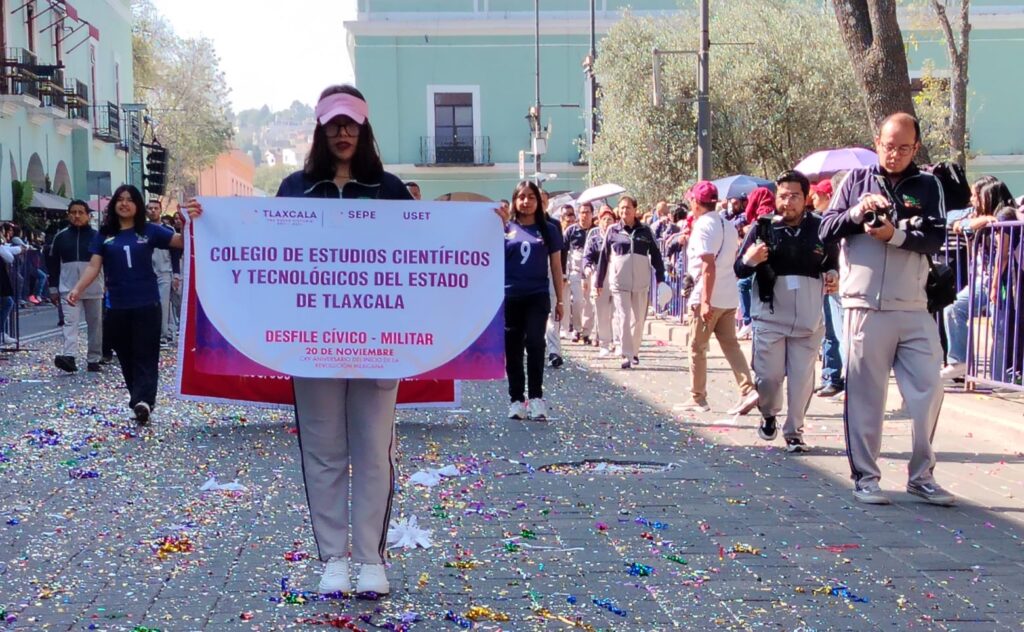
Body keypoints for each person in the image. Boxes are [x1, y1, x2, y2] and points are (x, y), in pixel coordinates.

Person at [188, 85, 413, 596]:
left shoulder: (390, 189)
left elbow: (433, 242)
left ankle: (371, 558)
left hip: (380, 341)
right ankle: (333, 558)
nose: (342, 132)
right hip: (311, 344)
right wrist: (206, 221)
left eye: (350, 123)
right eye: (333, 124)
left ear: (364, 128)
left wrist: (487, 226)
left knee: (374, 451)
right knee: (323, 451)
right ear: (320, 129)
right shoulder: (295, 188)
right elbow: (258, 242)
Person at [819, 112, 953, 506]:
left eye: (904, 148)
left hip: (913, 306)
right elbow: (825, 229)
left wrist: (895, 234)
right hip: (864, 306)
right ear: (877, 142)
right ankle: (866, 477)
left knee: (929, 388)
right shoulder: (855, 181)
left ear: (916, 148)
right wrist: (857, 213)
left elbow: (935, 237)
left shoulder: (928, 184)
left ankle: (922, 475)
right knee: (865, 395)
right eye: (889, 146)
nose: (894, 154)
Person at [735, 171, 838, 452]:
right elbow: (739, 269)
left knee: (802, 380)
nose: (788, 202)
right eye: (782, 196)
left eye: (794, 196)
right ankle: (769, 414)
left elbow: (833, 262)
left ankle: (794, 432)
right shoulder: (763, 227)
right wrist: (750, 259)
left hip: (808, 319)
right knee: (768, 378)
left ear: (806, 198)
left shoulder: (821, 227)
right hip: (770, 315)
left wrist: (832, 274)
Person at [68, 185, 183, 423]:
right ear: (114, 205)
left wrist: (189, 222)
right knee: (126, 356)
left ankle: (145, 401)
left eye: (130, 200)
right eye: (120, 199)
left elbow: (180, 242)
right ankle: (138, 399)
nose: (124, 204)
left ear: (138, 205)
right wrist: (77, 289)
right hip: (117, 306)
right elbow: (93, 266)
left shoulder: (150, 230)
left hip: (147, 304)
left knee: (146, 354)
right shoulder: (104, 235)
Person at [682, 181, 757, 414]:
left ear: (696, 202)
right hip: (727, 295)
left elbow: (708, 266)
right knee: (730, 344)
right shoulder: (728, 225)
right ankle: (747, 388)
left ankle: (698, 396)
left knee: (697, 347)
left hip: (707, 294)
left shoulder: (703, 226)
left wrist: (705, 301)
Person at [499, 180, 564, 420]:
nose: (526, 202)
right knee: (513, 347)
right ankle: (516, 399)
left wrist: (560, 300)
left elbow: (556, 266)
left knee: (536, 342)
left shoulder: (549, 229)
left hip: (537, 295)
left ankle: (536, 397)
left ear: (539, 201)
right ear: (515, 200)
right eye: (521, 197)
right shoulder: (505, 228)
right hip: (510, 296)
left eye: (531, 197)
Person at [941, 178, 1017, 379]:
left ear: (988, 195)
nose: (972, 199)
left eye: (975, 195)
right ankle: (960, 361)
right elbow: (952, 220)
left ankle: (1000, 376)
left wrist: (994, 285)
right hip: (982, 279)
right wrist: (981, 220)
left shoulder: (1005, 213)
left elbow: (1003, 255)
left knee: (999, 327)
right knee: (953, 308)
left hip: (1003, 280)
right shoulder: (980, 213)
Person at [595, 196, 666, 369]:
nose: (624, 211)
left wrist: (661, 279)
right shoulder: (613, 230)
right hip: (619, 283)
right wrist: (599, 281)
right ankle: (626, 354)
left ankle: (634, 351)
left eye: (628, 208)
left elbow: (656, 255)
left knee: (639, 320)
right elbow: (604, 256)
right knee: (624, 317)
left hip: (641, 283)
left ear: (635, 210)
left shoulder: (645, 231)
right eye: (621, 208)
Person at [48, 200, 104, 373]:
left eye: (81, 212)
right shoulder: (61, 237)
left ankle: (94, 358)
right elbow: (53, 264)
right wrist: (53, 288)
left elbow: (107, 261)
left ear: (88, 215)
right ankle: (69, 356)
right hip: (68, 286)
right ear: (68, 215)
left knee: (95, 324)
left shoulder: (97, 236)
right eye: (73, 212)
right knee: (70, 322)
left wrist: (108, 283)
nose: (77, 216)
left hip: (94, 287)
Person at [584, 205, 619, 356]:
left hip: (616, 273)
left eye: (609, 219)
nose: (606, 222)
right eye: (604, 219)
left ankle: (617, 342)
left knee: (617, 311)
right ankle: (604, 343)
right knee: (602, 310)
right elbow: (587, 255)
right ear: (599, 221)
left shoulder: (619, 235)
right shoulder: (594, 236)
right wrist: (587, 267)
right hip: (599, 275)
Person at [563, 202, 595, 344]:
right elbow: (563, 252)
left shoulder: (595, 231)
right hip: (575, 272)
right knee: (577, 301)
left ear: (592, 214)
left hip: (591, 271)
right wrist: (564, 273)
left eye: (587, 212)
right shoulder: (571, 231)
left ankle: (587, 332)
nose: (584, 215)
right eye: (582, 212)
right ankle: (576, 328)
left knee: (590, 303)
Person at [145, 200, 175, 348]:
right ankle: (153, 333)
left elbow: (175, 252)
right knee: (148, 305)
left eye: (155, 208)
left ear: (160, 210)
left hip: (164, 271)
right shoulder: (142, 229)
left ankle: (162, 335)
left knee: (163, 304)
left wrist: (176, 273)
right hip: (147, 272)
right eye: (150, 208)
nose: (153, 211)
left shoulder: (168, 229)